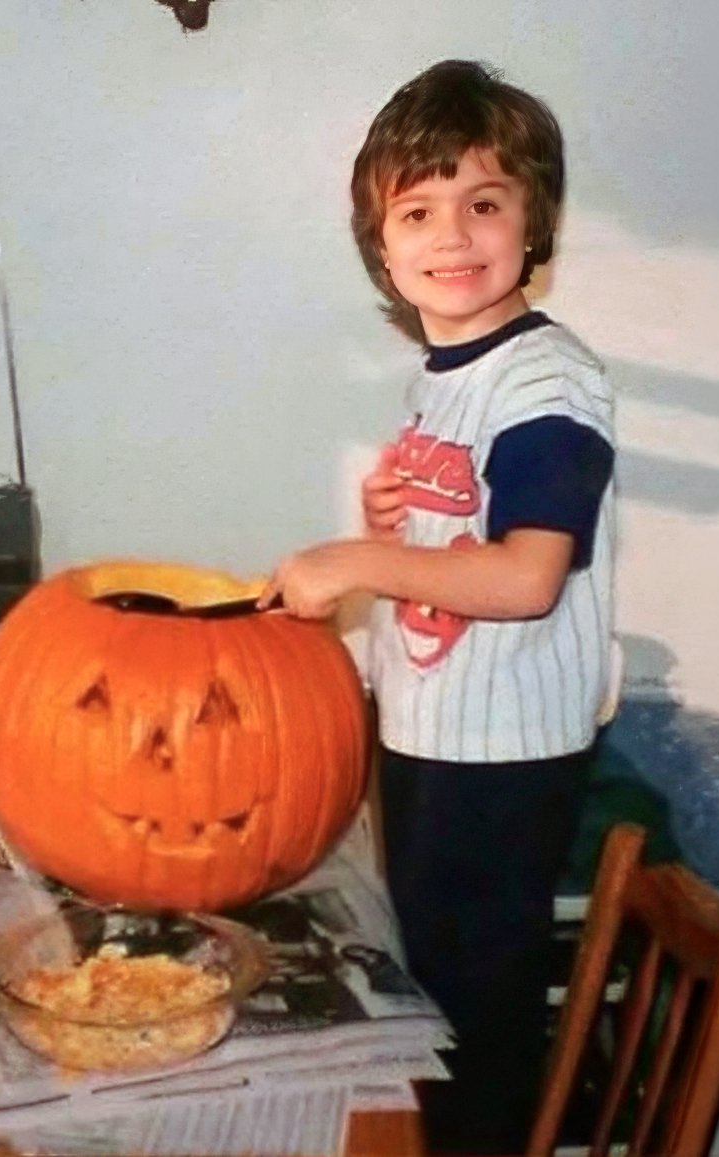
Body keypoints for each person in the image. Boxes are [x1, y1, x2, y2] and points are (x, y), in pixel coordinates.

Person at [261, 58, 616, 1154]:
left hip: (503, 749)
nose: (451, 234)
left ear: (533, 221)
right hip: (435, 729)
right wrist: (399, 513)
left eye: (484, 202)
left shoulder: (547, 383)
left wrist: (358, 557)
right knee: (437, 987)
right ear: (382, 242)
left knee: (476, 1015)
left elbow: (524, 575)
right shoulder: (450, 372)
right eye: (418, 209)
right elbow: (467, 530)